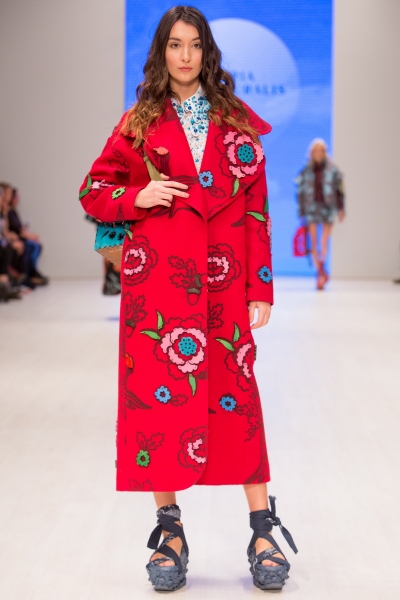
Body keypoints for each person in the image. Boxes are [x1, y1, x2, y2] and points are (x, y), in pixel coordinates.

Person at [80, 6, 297, 592]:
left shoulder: (235, 122)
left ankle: (262, 529)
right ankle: (170, 531)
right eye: (175, 45)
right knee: (160, 408)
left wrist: (261, 287)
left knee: (238, 401)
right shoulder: (139, 121)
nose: (184, 56)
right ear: (161, 52)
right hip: (159, 290)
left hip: (225, 284)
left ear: (207, 52)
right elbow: (93, 189)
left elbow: (257, 210)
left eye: (194, 45)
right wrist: (138, 196)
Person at [296, 139, 345, 290]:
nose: (318, 153)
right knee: (313, 242)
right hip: (311, 208)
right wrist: (301, 210)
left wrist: (341, 208)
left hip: (327, 206)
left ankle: (321, 271)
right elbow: (300, 192)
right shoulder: (306, 170)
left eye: (320, 151)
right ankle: (321, 273)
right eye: (315, 151)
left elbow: (339, 190)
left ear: (324, 152)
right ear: (311, 153)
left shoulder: (332, 169)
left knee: (324, 242)